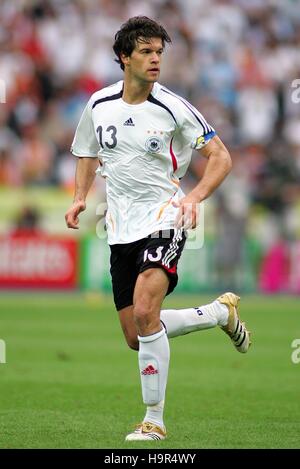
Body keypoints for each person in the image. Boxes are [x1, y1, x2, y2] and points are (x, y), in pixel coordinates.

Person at [65, 16, 251, 442]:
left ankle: (154, 420)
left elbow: (220, 157)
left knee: (148, 312)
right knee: (137, 335)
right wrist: (80, 196)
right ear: (124, 57)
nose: (155, 60)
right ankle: (219, 313)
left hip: (165, 219)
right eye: (146, 52)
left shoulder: (173, 107)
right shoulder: (98, 105)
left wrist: (193, 198)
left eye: (159, 53)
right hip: (118, 229)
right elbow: (87, 153)